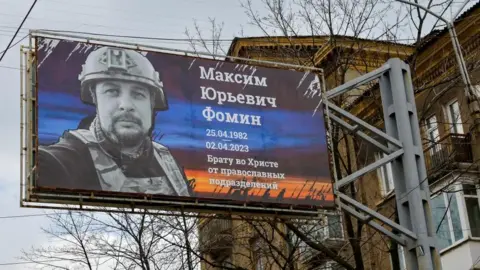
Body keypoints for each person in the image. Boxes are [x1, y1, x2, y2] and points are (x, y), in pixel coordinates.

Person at [37, 47, 191, 197]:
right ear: (95, 98)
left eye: (138, 94)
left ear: (151, 104)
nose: (126, 105)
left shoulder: (167, 160)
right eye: (112, 91)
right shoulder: (68, 158)